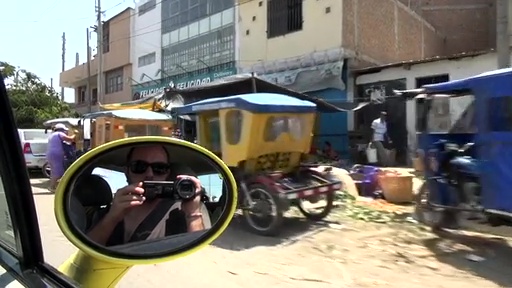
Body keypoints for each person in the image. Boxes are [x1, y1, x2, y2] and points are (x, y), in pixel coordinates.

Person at [87, 144, 207, 246]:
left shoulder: (185, 209)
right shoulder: (108, 212)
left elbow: (201, 258)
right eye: (139, 167)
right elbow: (86, 252)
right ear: (127, 171)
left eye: (159, 168)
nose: (149, 174)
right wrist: (112, 218)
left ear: (167, 174)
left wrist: (192, 213)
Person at [46, 123, 75, 193]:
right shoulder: (59, 134)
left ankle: (52, 186)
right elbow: (70, 139)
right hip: (56, 154)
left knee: (53, 171)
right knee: (59, 171)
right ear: (61, 130)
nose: (65, 132)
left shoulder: (52, 135)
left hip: (50, 154)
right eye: (64, 130)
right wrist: (75, 134)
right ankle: (53, 187)